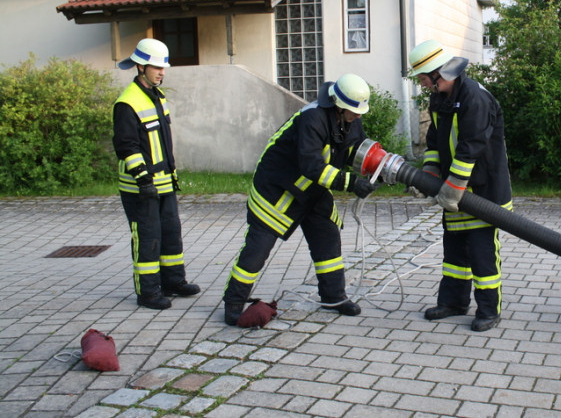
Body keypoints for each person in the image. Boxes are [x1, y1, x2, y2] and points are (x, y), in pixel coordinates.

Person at [222, 74, 378, 325]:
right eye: (353, 110)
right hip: (277, 190)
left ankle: (333, 297)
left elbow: (351, 151)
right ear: (338, 104)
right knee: (258, 248)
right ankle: (233, 301)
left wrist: (377, 166)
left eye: (360, 111)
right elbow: (312, 166)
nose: (358, 115)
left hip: (313, 191)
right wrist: (350, 183)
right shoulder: (312, 118)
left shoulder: (350, 121)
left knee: (327, 238)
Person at [407, 40, 513, 332]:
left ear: (438, 73)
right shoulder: (440, 97)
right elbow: (435, 141)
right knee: (454, 251)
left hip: (482, 190)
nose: (422, 84)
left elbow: (471, 147)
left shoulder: (474, 98)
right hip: (455, 189)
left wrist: (453, 185)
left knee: (481, 253)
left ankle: (489, 310)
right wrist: (429, 171)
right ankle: (453, 302)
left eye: (423, 78)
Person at [113, 38, 200, 310]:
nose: (162, 72)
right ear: (141, 67)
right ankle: (148, 292)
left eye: (164, 67)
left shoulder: (158, 97)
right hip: (141, 187)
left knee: (171, 233)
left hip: (164, 184)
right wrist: (142, 179)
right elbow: (127, 146)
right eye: (156, 67)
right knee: (148, 239)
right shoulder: (127, 103)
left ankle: (174, 281)